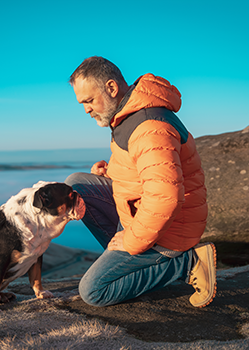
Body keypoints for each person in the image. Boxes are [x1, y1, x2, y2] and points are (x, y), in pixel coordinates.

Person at [65, 56, 216, 308]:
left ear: (111, 88)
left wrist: (133, 240)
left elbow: (164, 199)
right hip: (140, 214)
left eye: (89, 101)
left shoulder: (149, 127)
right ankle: (129, 262)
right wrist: (111, 171)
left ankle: (187, 263)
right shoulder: (130, 113)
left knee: (93, 291)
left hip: (170, 231)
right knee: (77, 186)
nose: (86, 110)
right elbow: (149, 169)